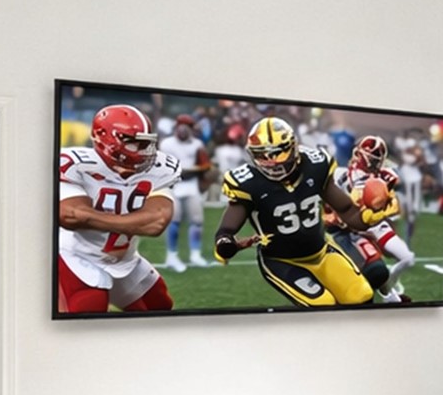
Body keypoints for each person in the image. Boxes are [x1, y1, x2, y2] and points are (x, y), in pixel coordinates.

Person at [211, 117, 386, 307]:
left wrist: (366, 217)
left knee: (361, 296)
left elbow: (346, 209)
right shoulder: (248, 183)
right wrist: (225, 243)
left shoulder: (315, 166)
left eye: (278, 154)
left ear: (293, 147)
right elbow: (227, 229)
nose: (271, 162)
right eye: (262, 155)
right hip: (282, 261)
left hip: (322, 251)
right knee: (323, 304)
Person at [56, 104, 179, 313]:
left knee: (159, 308)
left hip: (126, 259)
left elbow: (156, 222)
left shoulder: (160, 168)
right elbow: (71, 215)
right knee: (88, 310)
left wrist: (98, 220)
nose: (145, 151)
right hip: (77, 256)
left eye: (146, 143)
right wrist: (134, 222)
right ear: (107, 140)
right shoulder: (75, 164)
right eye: (135, 143)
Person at [338, 135, 415, 302]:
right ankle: (391, 297)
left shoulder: (382, 175)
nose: (377, 162)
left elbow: (393, 208)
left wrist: (387, 190)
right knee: (368, 273)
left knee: (408, 259)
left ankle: (389, 293)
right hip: (358, 229)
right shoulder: (349, 176)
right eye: (373, 158)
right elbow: (358, 200)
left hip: (378, 225)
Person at [155, 115, 212, 271]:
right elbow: (163, 166)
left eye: (187, 126)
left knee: (197, 220)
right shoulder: (166, 144)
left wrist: (196, 171)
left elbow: (204, 165)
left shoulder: (197, 144)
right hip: (173, 185)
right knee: (174, 221)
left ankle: (195, 254)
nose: (183, 129)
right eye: (181, 126)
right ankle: (171, 256)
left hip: (191, 185)